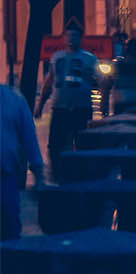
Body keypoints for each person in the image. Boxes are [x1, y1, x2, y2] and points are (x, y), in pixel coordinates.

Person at [36, 20, 99, 178]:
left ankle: (81, 174)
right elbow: (49, 82)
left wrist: (102, 105)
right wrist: (40, 105)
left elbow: (100, 81)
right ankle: (56, 173)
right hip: (60, 107)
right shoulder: (57, 57)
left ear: (80, 38)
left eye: (75, 36)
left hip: (81, 108)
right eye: (68, 36)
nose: (71, 39)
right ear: (64, 38)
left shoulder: (89, 59)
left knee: (82, 142)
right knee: (55, 144)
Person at [2, 81, 45, 239]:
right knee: (9, 228)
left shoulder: (14, 100)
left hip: (5, 176)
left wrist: (39, 176)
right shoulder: (14, 99)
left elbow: (30, 140)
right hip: (6, 175)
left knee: (9, 227)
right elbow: (29, 140)